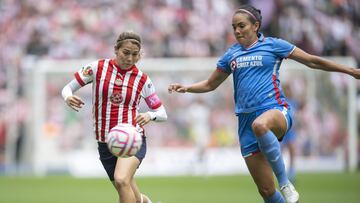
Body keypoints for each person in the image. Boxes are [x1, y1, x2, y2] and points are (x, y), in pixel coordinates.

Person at [168, 5, 360, 203]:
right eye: (234, 27)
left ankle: (285, 182)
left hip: (275, 110)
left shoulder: (274, 45)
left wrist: (350, 71)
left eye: (241, 25)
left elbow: (312, 61)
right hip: (245, 123)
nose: (237, 31)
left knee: (260, 125)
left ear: (256, 25)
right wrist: (187, 87)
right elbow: (210, 84)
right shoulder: (231, 55)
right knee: (267, 191)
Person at [62, 31, 167, 203]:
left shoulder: (143, 80)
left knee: (121, 179)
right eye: (126, 53)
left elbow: (162, 112)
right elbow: (68, 88)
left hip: (132, 138)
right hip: (106, 142)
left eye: (135, 55)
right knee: (127, 190)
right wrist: (68, 97)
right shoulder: (97, 68)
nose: (130, 58)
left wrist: (150, 115)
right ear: (116, 50)